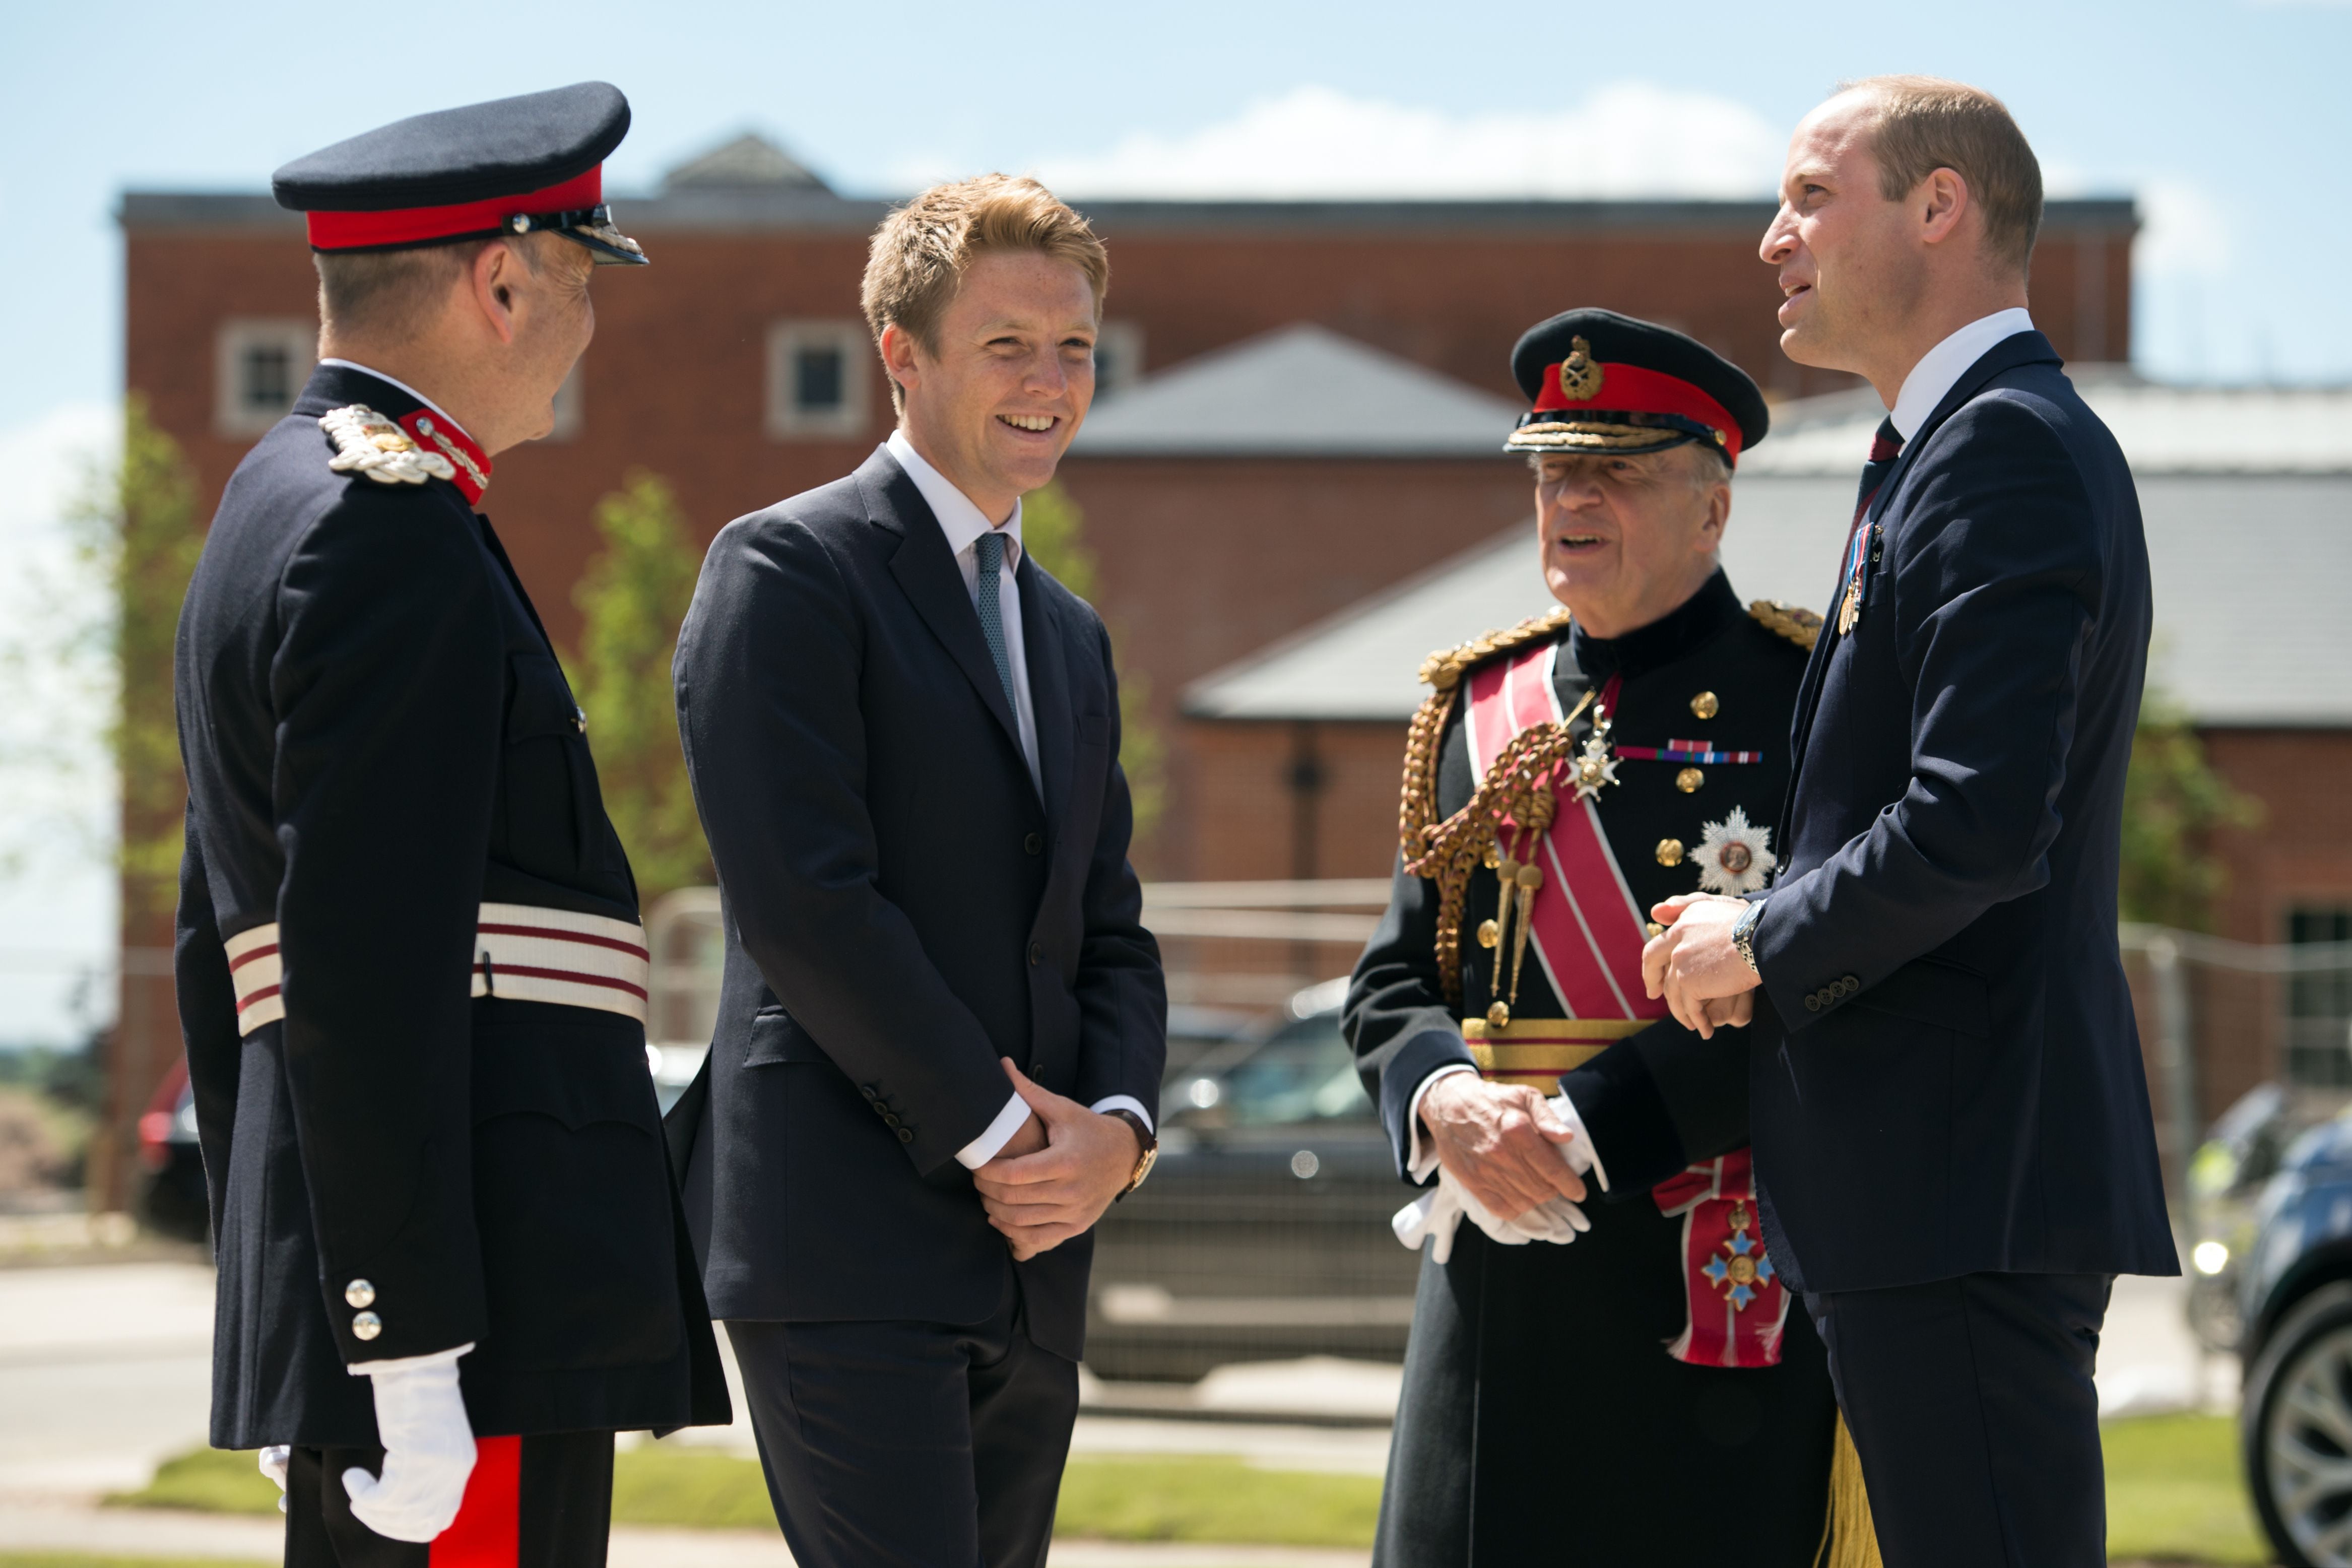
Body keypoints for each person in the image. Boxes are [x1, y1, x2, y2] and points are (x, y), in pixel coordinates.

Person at [172, 83, 729, 1567]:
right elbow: (355, 962)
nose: (588, 328)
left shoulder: (278, 509)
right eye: (577, 280)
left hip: (427, 1288)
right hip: (476, 1303)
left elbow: (220, 957)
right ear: (499, 280)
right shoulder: (383, 528)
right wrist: (402, 1348)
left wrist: (292, 1294)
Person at [1644, 77, 2178, 1565]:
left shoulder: (1999, 449)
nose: (1771, 239)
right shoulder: (1937, 451)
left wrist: (1757, 935)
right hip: (1932, 1183)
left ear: (1938, 207)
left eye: (1811, 195)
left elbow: (1976, 822)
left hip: (1961, 1182)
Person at [668, 174, 1166, 1568]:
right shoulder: (785, 570)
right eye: (1007, 343)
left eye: (1073, 348)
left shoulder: (1065, 632)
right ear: (903, 355)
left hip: (1037, 1255)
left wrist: (1115, 1137)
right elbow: (805, 904)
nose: (1049, 381)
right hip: (844, 1238)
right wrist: (1009, 1142)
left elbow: (1107, 931)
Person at [1346, 310, 1874, 1566]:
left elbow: (1828, 988)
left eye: (1617, 471)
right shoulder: (1480, 703)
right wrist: (1448, 1104)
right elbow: (1392, 978)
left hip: (1697, 1278)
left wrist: (1582, 1125)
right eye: (1553, 469)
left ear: (1713, 505)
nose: (1572, 499)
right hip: (1494, 1281)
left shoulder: (1807, 702)